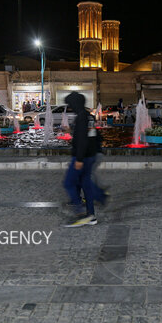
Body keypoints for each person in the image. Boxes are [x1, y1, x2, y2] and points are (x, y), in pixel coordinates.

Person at [63, 92, 101, 227]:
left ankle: (80, 214)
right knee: (86, 185)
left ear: (75, 103)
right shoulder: (88, 117)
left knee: (68, 183)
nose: (70, 107)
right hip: (90, 156)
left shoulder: (81, 117)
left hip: (82, 157)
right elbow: (90, 135)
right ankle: (91, 215)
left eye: (70, 104)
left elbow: (82, 140)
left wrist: (79, 159)